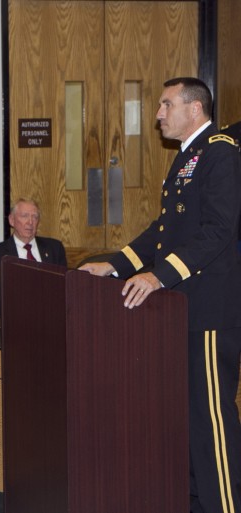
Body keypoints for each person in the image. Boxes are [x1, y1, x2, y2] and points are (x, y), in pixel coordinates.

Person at [80, 77, 241, 513]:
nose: (158, 113)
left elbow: (220, 231)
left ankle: (226, 504)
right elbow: (164, 230)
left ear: (195, 108)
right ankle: (195, 501)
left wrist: (158, 277)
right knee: (187, 417)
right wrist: (117, 263)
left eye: (166, 104)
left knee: (211, 420)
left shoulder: (220, 151)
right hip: (183, 307)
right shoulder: (189, 156)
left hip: (209, 309)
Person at [0, 198, 67, 267]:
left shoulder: (55, 248)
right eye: (24, 216)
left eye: (35, 217)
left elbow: (64, 283)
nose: (30, 222)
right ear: (12, 220)